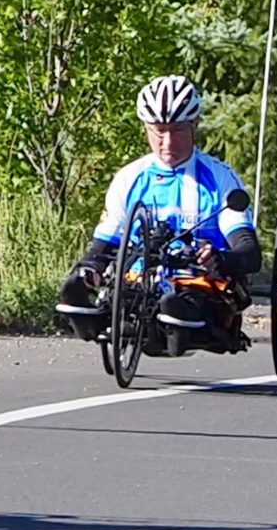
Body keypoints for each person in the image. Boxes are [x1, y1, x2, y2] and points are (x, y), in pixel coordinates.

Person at [58, 75, 262, 352]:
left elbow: (249, 252)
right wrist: (90, 271)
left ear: (194, 126)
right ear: (146, 128)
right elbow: (102, 247)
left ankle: (177, 328)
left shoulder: (220, 178)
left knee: (176, 305)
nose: (167, 142)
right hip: (138, 281)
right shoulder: (129, 178)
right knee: (75, 284)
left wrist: (221, 259)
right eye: (158, 130)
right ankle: (95, 324)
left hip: (197, 283)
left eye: (177, 130)